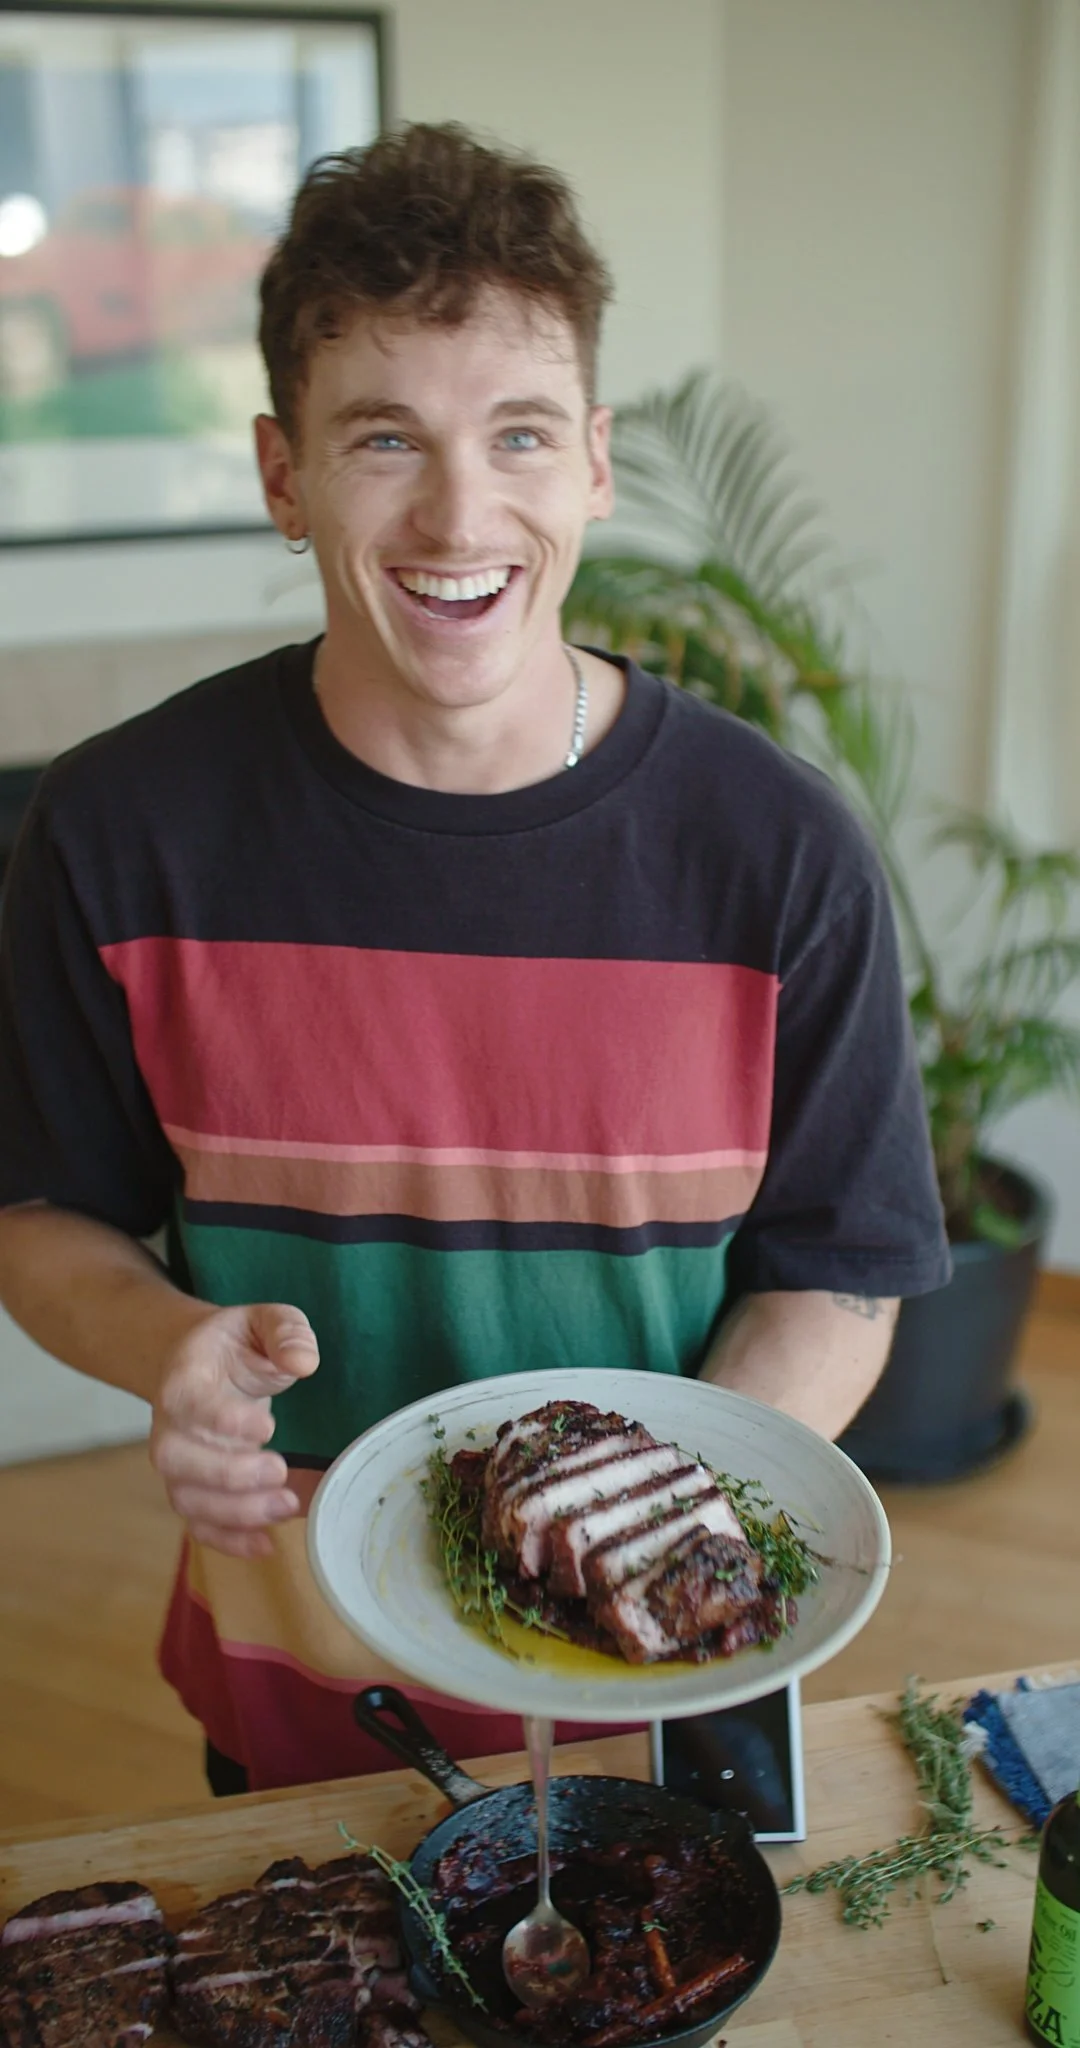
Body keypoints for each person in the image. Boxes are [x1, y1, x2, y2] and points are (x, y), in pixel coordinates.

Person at [0, 123, 949, 1795]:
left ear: (592, 460)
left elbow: (842, 1272)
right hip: (308, 1686)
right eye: (384, 436)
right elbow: (40, 1218)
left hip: (679, 1698)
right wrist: (165, 1348)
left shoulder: (779, 850)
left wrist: (635, 1519)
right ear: (281, 472)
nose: (460, 510)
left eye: (517, 433)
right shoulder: (116, 829)